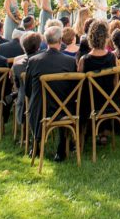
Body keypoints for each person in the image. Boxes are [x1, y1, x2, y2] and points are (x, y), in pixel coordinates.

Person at [25, 24, 80, 161]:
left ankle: (36, 142)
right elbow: (75, 89)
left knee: (34, 102)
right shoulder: (70, 61)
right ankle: (63, 144)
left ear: (45, 41)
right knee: (65, 100)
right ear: (60, 40)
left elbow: (28, 90)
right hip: (65, 109)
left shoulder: (34, 61)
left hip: (40, 109)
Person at [78, 21, 118, 141]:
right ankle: (104, 132)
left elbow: (79, 85)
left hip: (90, 102)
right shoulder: (112, 57)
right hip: (109, 100)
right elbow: (116, 82)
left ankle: (82, 135)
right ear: (106, 37)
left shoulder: (84, 60)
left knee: (81, 99)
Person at [12, 30, 42, 127]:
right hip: (43, 101)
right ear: (39, 46)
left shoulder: (17, 65)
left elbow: (16, 85)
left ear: (23, 47)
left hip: (25, 101)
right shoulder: (43, 63)